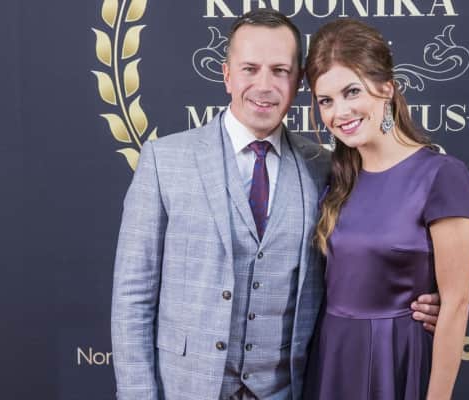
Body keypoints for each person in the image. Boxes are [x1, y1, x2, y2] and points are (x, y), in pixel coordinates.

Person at [111, 9, 441, 400]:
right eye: (250, 69)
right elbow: (132, 298)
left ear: (298, 81)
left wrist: (415, 302)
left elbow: (361, 258)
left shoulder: (324, 167)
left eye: (280, 71)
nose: (264, 85)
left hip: (289, 390)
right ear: (227, 75)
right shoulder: (164, 161)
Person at [302, 19, 469, 400]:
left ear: (386, 87)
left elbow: (456, 304)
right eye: (326, 100)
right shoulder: (334, 177)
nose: (339, 112)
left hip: (396, 356)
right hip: (333, 357)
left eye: (351, 91)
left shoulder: (441, 175)